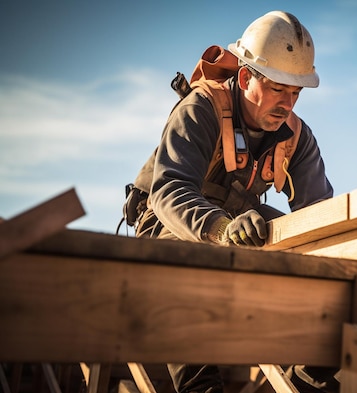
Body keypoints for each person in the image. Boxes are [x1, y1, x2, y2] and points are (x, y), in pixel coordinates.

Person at [125, 10, 337, 393]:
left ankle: (306, 379)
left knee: (321, 268)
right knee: (185, 268)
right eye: (278, 88)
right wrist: (221, 229)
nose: (288, 103)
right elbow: (170, 190)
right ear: (245, 77)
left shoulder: (297, 137)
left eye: (296, 92)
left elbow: (319, 217)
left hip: (239, 222)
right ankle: (200, 386)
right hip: (169, 224)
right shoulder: (199, 110)